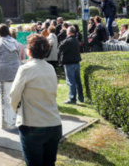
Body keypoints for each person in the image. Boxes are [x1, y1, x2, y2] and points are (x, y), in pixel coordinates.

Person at [10, 34, 62, 166]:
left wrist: (18, 111)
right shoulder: (50, 68)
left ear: (30, 50)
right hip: (54, 124)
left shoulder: (25, 69)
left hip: (32, 125)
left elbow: (14, 96)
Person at [59, 27, 84, 105]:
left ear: (69, 32)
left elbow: (59, 48)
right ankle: (81, 97)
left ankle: (72, 98)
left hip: (69, 63)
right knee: (77, 81)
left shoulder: (67, 41)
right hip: (76, 63)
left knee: (71, 81)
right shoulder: (76, 40)